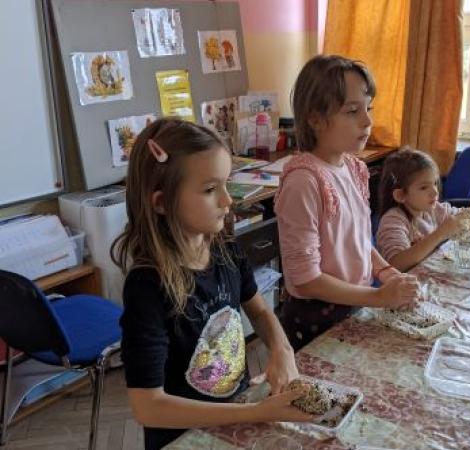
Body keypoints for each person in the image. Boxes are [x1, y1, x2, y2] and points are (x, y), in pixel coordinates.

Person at [111, 118, 311, 450]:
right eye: (209, 190)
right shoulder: (147, 286)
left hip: (235, 418)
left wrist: (282, 349)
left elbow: (260, 312)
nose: (227, 201)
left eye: (226, 184)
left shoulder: (225, 249)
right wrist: (255, 412)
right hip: (185, 437)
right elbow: (148, 407)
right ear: (161, 203)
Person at [275, 55, 420, 351]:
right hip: (316, 318)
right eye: (353, 111)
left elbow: (357, 241)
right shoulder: (304, 182)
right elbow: (305, 280)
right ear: (315, 119)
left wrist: (386, 273)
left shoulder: (355, 168)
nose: (367, 121)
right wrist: (378, 297)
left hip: (354, 302)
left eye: (368, 108)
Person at [376, 148, 470, 272]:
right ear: (400, 195)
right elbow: (396, 264)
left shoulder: (436, 210)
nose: (435, 192)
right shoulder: (393, 220)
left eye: (434, 183)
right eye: (424, 187)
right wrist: (440, 233)